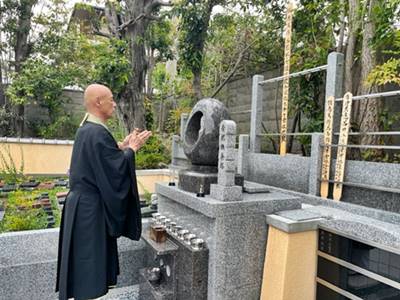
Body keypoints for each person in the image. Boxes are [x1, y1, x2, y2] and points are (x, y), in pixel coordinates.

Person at [56, 84, 152, 300]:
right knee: (89, 266)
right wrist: (131, 151)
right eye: (111, 99)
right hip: (90, 211)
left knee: (84, 266)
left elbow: (100, 157)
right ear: (98, 102)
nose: (114, 103)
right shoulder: (97, 132)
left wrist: (120, 147)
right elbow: (113, 170)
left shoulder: (87, 129)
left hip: (80, 206)